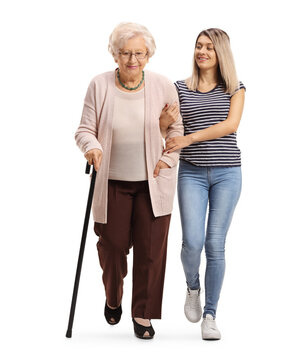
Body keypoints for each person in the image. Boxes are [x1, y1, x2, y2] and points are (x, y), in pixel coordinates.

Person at [74, 22, 183, 339]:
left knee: (151, 252)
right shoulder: (100, 85)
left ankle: (143, 314)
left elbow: (176, 130)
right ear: (115, 54)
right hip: (112, 183)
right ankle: (113, 295)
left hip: (153, 182)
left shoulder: (163, 85)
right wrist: (93, 147)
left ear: (148, 55)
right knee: (112, 246)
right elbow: (84, 130)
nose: (132, 59)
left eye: (138, 53)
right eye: (125, 53)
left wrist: (166, 158)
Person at [162, 28, 245, 340]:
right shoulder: (179, 88)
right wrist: (164, 126)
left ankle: (210, 314)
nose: (202, 52)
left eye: (209, 47)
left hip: (227, 173)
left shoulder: (235, 89)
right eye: (199, 46)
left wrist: (190, 138)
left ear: (220, 52)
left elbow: (230, 125)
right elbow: (167, 129)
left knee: (215, 245)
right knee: (192, 243)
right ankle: (192, 286)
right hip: (192, 173)